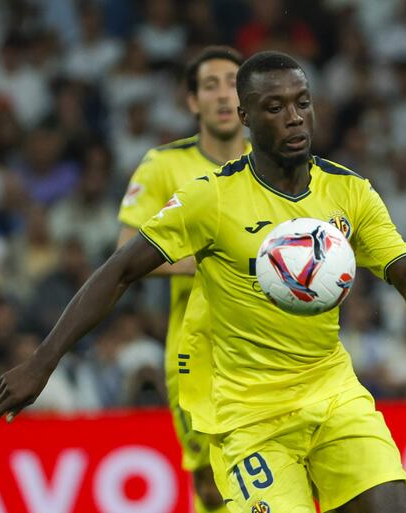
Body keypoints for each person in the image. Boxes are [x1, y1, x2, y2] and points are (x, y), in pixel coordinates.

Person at [0, 51, 406, 513]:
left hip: (334, 395)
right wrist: (42, 363)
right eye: (275, 107)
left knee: (390, 503)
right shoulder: (211, 198)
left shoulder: (350, 191)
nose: (294, 117)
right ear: (245, 117)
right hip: (249, 418)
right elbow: (119, 271)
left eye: (302, 102)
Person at [116, 45, 250, 513]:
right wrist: (213, 258)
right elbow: (125, 252)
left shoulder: (273, 163)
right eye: (210, 86)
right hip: (198, 353)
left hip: (270, 348)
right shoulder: (164, 165)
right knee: (212, 486)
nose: (223, 95)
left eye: (233, 83)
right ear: (193, 101)